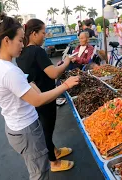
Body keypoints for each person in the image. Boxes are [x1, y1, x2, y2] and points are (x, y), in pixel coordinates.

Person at [0, 15, 79, 179]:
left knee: (40, 165)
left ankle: (53, 152)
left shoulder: (3, 66)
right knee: (39, 173)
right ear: (6, 41)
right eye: (19, 40)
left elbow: (28, 85)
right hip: (26, 131)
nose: (21, 45)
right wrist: (65, 85)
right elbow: (37, 100)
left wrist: (35, 87)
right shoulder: (9, 71)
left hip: (20, 126)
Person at [17, 18, 76, 173]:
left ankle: (54, 150)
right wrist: (67, 61)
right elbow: (53, 73)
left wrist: (56, 66)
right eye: (43, 33)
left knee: (45, 127)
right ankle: (53, 162)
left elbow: (42, 70)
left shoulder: (21, 53)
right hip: (45, 96)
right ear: (34, 33)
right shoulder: (37, 51)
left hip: (36, 95)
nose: (45, 36)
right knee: (46, 129)